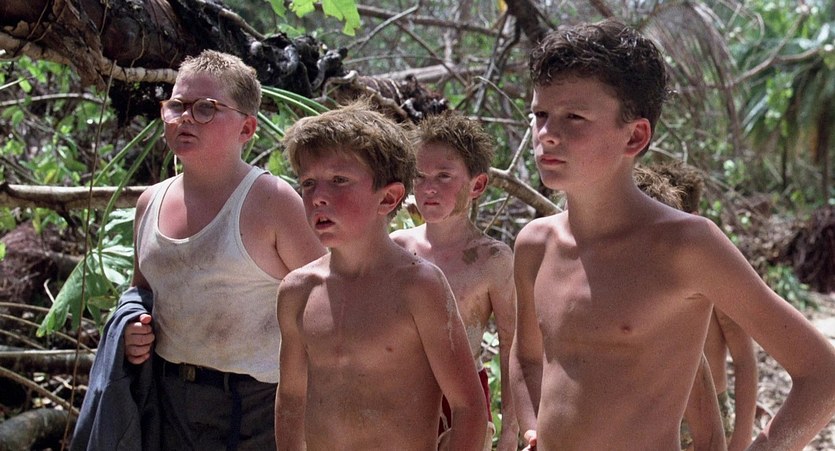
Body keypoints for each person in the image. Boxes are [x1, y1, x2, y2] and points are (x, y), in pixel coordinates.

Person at [510, 18, 835, 451]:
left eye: (574, 117)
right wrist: (532, 428)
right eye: (540, 115)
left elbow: (822, 375)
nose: (547, 135)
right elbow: (526, 357)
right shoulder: (534, 245)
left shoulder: (686, 246)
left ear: (635, 136)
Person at [111, 50, 324, 450]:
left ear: (247, 128)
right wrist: (132, 329)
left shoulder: (271, 201)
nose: (186, 118)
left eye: (206, 108)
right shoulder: (149, 202)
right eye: (177, 106)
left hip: (256, 405)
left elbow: (326, 299)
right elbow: (143, 292)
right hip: (169, 397)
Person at [275, 101, 489, 450]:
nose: (318, 197)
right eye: (308, 183)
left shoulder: (418, 287)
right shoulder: (297, 291)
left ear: (388, 198)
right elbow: (291, 400)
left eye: (339, 180)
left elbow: (469, 408)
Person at [390, 111, 518, 450]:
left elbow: (511, 345)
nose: (429, 188)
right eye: (420, 176)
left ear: (477, 185)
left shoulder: (492, 259)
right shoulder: (396, 248)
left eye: (444, 176)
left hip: (463, 400)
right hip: (399, 396)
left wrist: (510, 429)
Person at [651, 161, 759, 451]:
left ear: (693, 218)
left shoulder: (713, 277)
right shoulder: (643, 274)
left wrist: (742, 437)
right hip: (657, 416)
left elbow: (745, 360)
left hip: (710, 417)